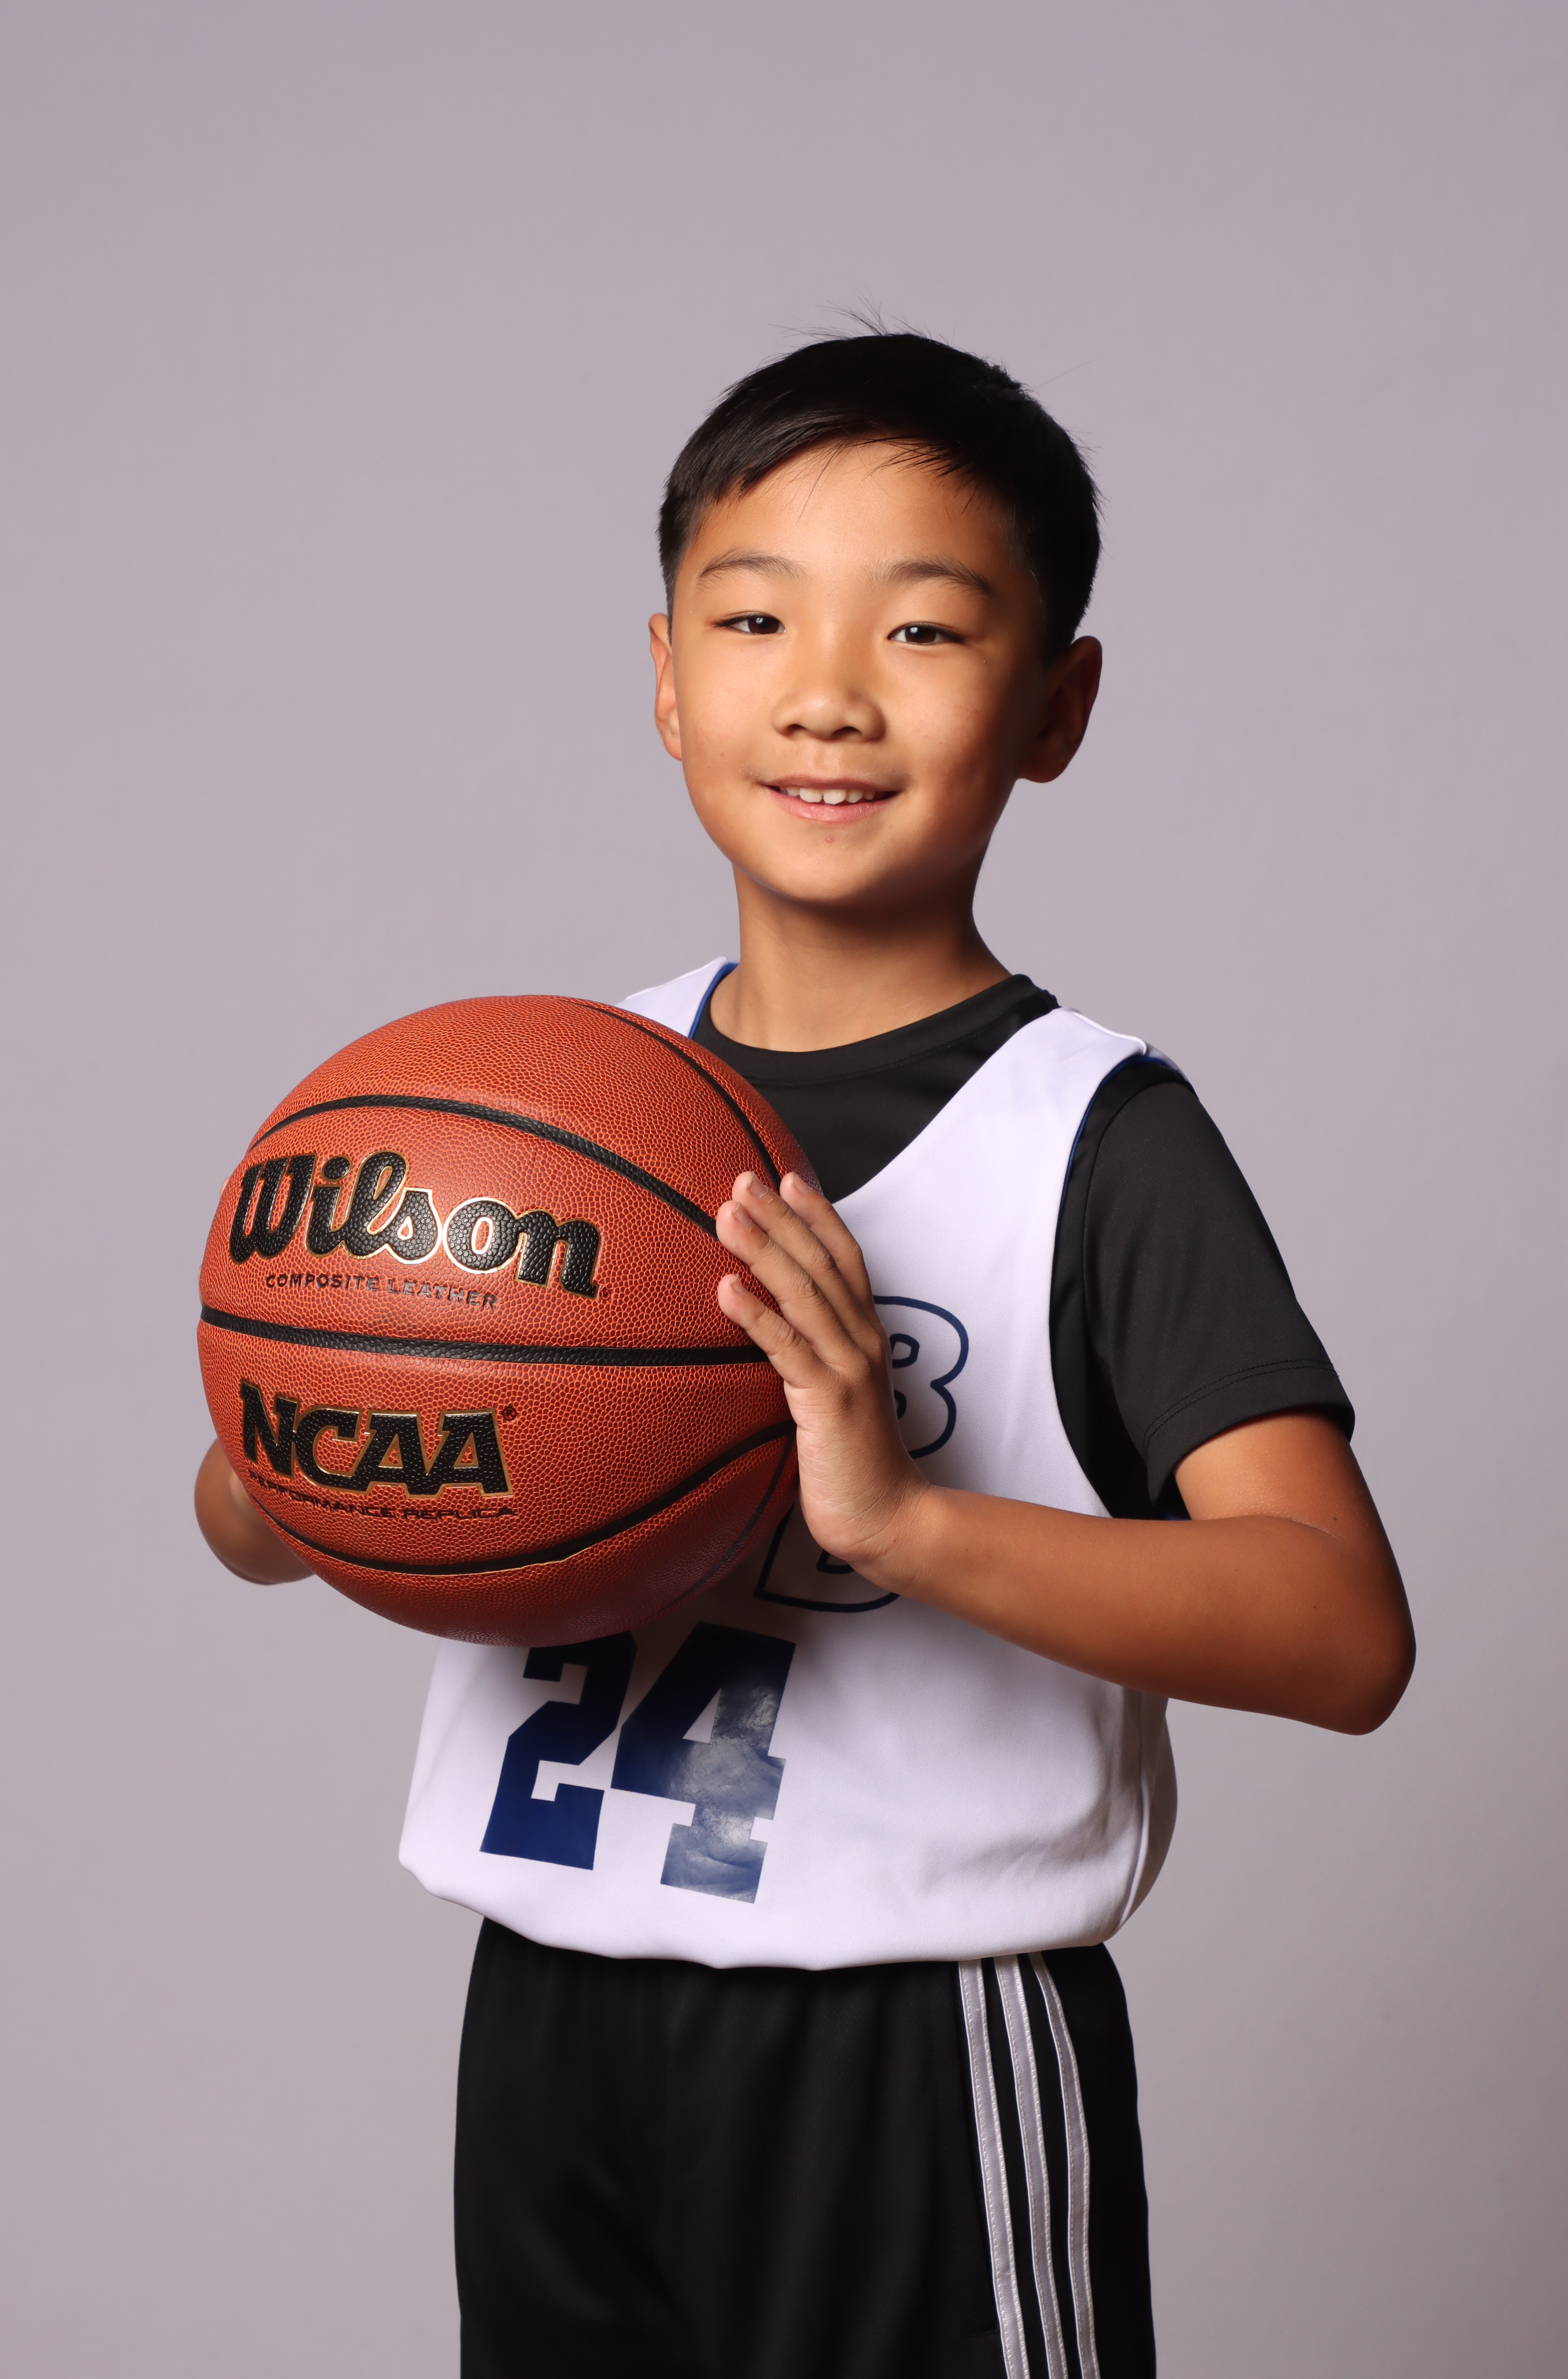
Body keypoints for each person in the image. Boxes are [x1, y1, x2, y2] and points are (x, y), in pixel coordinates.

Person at [195, 331, 1415, 2379]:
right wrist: (334, 1405)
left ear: (1056, 707)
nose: (827, 689)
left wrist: (906, 1520)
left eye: (922, 628)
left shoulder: (1094, 1138)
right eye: (754, 618)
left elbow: (1340, 1634)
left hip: (909, 2041)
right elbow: (252, 1516)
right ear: (666, 676)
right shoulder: (547, 1091)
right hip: (552, 2005)